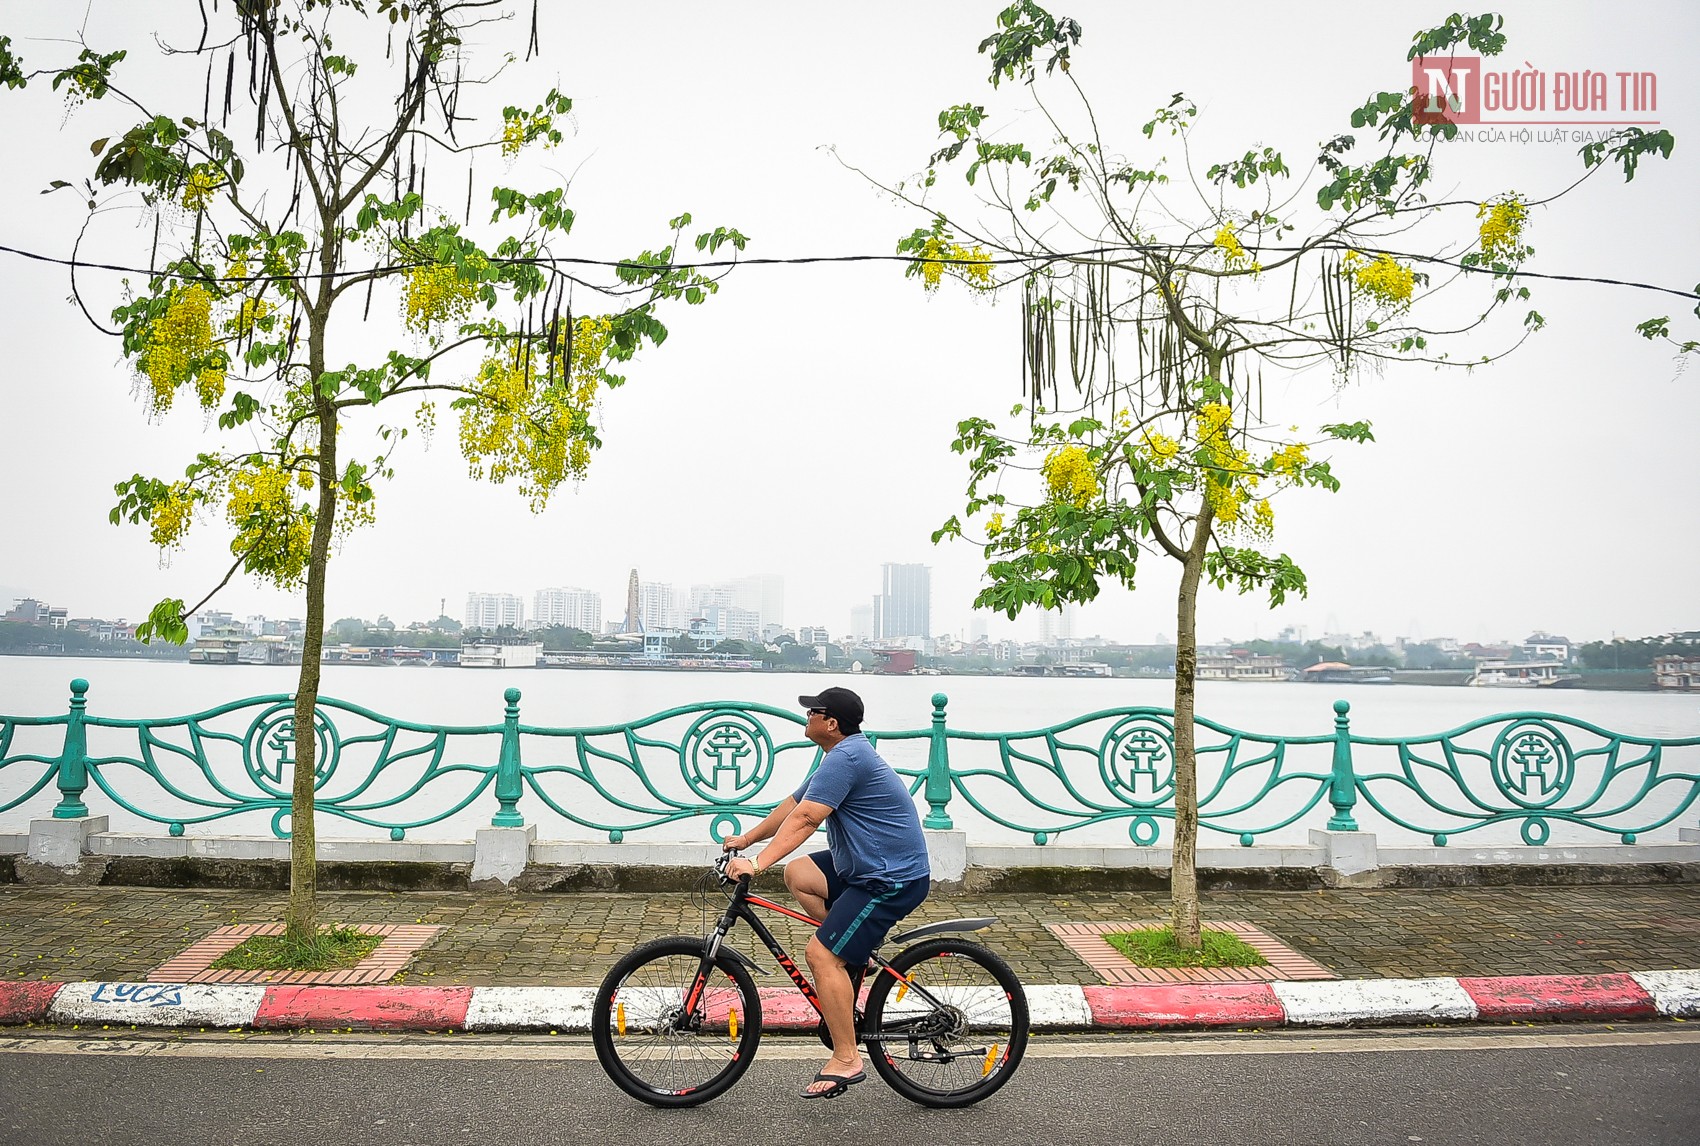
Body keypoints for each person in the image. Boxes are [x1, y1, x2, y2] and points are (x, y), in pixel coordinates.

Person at [721, 686, 931, 1100]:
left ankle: (847, 1058)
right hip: (864, 865)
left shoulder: (848, 758)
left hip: (889, 878)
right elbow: (792, 804)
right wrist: (746, 840)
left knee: (819, 954)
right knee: (799, 873)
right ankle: (853, 953)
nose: (806, 718)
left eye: (812, 712)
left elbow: (806, 819)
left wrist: (759, 864)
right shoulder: (838, 754)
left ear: (830, 723)